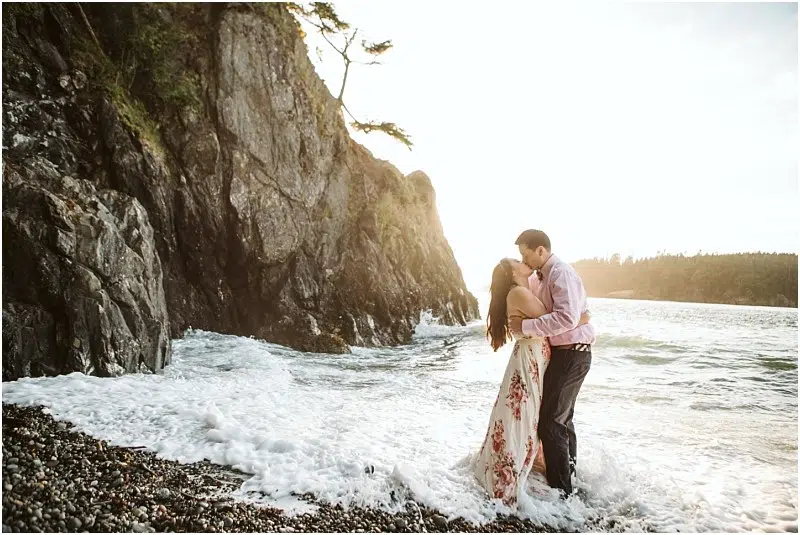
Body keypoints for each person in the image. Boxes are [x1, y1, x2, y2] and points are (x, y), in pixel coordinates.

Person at [472, 257, 589, 504]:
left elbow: (547, 321)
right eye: (517, 260)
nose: (522, 260)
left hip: (535, 357)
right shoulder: (519, 293)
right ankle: (529, 475)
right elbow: (555, 321)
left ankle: (557, 475)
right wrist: (583, 317)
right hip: (531, 358)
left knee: (535, 416)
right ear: (512, 273)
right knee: (525, 416)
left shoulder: (527, 289)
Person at [509, 229, 596, 497]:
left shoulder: (561, 273)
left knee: (552, 422)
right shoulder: (539, 278)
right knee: (562, 420)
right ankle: (569, 482)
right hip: (564, 353)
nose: (523, 259)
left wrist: (525, 325)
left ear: (540, 250)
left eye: (525, 253)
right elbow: (565, 315)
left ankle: (562, 493)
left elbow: (567, 318)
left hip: (574, 353)